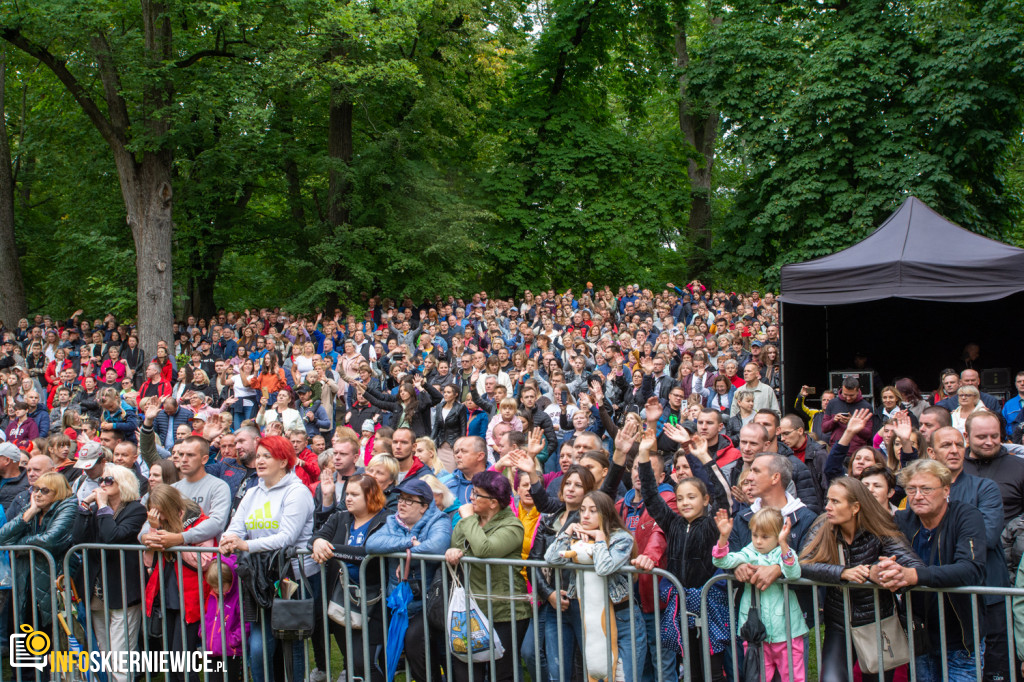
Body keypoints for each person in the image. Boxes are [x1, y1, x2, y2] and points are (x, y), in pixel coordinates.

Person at [799, 477, 924, 682]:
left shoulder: (879, 528)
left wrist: (881, 570)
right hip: (838, 623)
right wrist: (842, 572)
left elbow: (914, 567)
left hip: (877, 623)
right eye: (828, 500)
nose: (828, 507)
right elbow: (803, 563)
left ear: (855, 507)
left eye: (835, 501)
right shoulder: (824, 523)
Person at [877, 459, 987, 682]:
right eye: (912, 489)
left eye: (926, 489)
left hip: (961, 638)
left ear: (946, 490)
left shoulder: (966, 515)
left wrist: (913, 575)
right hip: (920, 636)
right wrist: (882, 569)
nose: (917, 496)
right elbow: (879, 554)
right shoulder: (901, 519)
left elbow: (970, 568)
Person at [220, 435, 317, 682]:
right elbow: (236, 526)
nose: (260, 460)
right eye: (259, 455)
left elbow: (286, 537)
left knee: (291, 643)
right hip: (259, 577)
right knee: (259, 646)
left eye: (267, 456)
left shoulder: (298, 492)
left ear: (284, 461)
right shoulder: (252, 493)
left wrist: (245, 545)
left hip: (291, 577)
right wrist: (228, 539)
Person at [444, 471, 532, 682]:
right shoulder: (472, 520)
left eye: (476, 494)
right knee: (466, 671)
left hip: (505, 612)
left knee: (501, 673)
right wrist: (453, 552)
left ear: (493, 503)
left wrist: (467, 519)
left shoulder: (512, 526)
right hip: (472, 609)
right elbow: (457, 544)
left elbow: (485, 550)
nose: (471, 498)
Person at [364, 478, 452, 682]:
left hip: (428, 602)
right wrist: (408, 544)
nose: (401, 503)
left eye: (409, 500)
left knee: (415, 644)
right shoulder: (392, 521)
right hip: (399, 603)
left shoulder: (439, 520)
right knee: (409, 650)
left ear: (424, 507)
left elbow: (436, 546)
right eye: (401, 498)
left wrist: (405, 559)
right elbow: (372, 544)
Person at [310, 474, 391, 682]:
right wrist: (318, 542)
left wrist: (332, 549)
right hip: (341, 597)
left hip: (375, 601)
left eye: (355, 494)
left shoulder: (387, 519)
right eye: (347, 494)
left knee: (366, 661)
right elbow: (316, 537)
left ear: (371, 496)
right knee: (352, 662)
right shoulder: (340, 518)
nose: (348, 498)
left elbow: (368, 552)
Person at [713, 507, 805, 682]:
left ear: (778, 535)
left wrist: (784, 543)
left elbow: (794, 573)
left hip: (787, 631)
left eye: (765, 537)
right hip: (756, 634)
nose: (758, 541)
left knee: (794, 677)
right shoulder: (748, 553)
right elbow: (721, 560)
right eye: (755, 535)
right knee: (757, 677)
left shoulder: (784, 554)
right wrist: (723, 538)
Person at [75, 463, 147, 682]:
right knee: (106, 653)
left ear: (122, 484)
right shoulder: (98, 509)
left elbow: (112, 537)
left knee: (120, 655)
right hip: (97, 590)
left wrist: (103, 507)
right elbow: (78, 540)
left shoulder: (136, 509)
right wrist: (84, 510)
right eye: (101, 481)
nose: (102, 484)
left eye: (108, 480)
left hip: (123, 589)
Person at [143, 485, 217, 682]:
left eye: (163, 513)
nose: (162, 518)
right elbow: (148, 560)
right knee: (172, 660)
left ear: (173, 508)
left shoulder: (200, 523)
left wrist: (176, 541)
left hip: (190, 600)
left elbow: (204, 561)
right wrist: (155, 528)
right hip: (167, 597)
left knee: (183, 660)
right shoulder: (160, 525)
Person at [0, 472, 77, 632]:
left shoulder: (68, 506)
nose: (38, 494)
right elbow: (2, 537)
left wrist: (20, 545)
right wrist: (29, 514)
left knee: (53, 635)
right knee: (26, 634)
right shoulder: (32, 507)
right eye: (35, 489)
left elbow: (49, 540)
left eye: (44, 490)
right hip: (26, 579)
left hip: (54, 579)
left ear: (58, 492)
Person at [821, 377, 874, 449]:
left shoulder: (866, 407)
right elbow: (824, 428)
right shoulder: (832, 403)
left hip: (856, 450)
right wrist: (834, 420)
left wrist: (853, 424)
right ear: (841, 389)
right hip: (836, 448)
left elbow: (868, 434)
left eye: (851, 395)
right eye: (845, 394)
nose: (848, 398)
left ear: (858, 391)